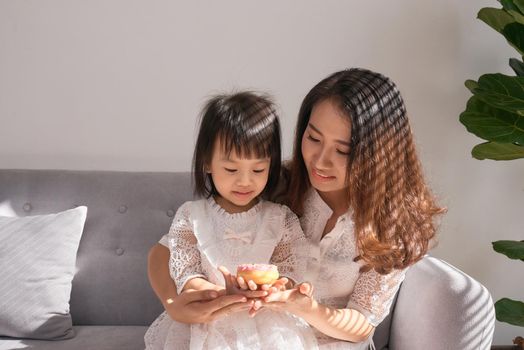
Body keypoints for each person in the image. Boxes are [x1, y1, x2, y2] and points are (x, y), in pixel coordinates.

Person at [147, 68, 445, 350]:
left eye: (343, 150)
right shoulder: (279, 185)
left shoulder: (390, 225)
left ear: (380, 155)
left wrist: (305, 308)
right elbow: (165, 251)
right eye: (313, 138)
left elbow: (362, 323)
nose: (320, 160)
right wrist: (177, 304)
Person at [144, 91, 318, 350]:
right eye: (231, 169)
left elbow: (289, 267)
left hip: (264, 323)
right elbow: (185, 271)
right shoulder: (192, 216)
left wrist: (278, 286)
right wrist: (216, 292)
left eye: (258, 169)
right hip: (208, 320)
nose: (245, 181)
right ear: (207, 162)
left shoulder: (279, 218)